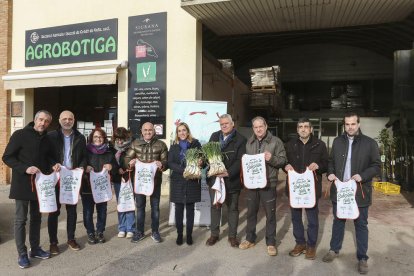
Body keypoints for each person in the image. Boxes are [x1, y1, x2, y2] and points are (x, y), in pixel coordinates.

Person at [322, 112, 380, 275]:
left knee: (361, 224)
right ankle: (334, 249)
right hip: (340, 190)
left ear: (358, 124)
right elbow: (331, 161)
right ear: (344, 125)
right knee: (338, 220)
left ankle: (362, 258)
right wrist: (330, 174)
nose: (350, 127)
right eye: (347, 124)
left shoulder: (369, 143)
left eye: (353, 124)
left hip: (360, 190)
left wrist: (363, 176)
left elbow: (376, 166)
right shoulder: (338, 141)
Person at [2, 110, 59, 269]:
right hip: (22, 183)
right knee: (21, 219)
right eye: (41, 120)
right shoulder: (20, 135)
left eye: (47, 121)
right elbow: (7, 157)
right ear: (35, 120)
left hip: (40, 184)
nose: (43, 123)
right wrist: (25, 168)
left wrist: (54, 164)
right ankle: (22, 253)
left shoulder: (48, 139)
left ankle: (35, 249)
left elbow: (50, 158)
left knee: (36, 218)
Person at [239, 116, 286, 256]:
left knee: (270, 214)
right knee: (251, 213)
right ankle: (250, 239)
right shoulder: (250, 142)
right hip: (253, 184)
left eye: (261, 126)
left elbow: (283, 161)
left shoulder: (276, 142)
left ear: (266, 126)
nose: (258, 129)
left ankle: (271, 243)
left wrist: (271, 158)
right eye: (256, 127)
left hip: (268, 183)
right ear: (253, 129)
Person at [284, 118, 328, 260]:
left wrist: (319, 166)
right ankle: (300, 243)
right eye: (300, 126)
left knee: (312, 219)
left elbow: (327, 164)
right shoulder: (289, 145)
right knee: (296, 218)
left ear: (310, 129)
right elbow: (283, 161)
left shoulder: (320, 145)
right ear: (297, 130)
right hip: (294, 189)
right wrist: (285, 166)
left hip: (312, 190)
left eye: (306, 127)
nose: (303, 129)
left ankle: (311, 246)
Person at [47, 110, 87, 254]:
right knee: (54, 211)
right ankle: (53, 242)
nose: (67, 121)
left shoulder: (80, 137)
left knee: (72, 211)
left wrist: (82, 165)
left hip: (72, 179)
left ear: (74, 120)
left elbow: (84, 156)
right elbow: (47, 155)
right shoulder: (51, 136)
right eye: (64, 119)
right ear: (59, 120)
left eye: (70, 119)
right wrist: (53, 163)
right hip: (57, 177)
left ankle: (71, 238)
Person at [205, 114, 246, 248]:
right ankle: (214, 234)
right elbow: (208, 155)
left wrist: (228, 172)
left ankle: (232, 236)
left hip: (231, 180)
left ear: (232, 123)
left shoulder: (241, 139)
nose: (223, 126)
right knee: (215, 206)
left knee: (232, 208)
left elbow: (240, 160)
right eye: (221, 124)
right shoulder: (214, 136)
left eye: (226, 123)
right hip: (215, 179)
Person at [125, 122, 168, 243]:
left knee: (155, 207)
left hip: (155, 180)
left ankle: (155, 231)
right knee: (140, 207)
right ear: (141, 131)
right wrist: (130, 163)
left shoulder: (161, 144)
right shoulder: (135, 143)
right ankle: (139, 232)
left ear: (154, 131)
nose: (148, 132)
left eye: (150, 130)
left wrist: (162, 165)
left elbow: (166, 161)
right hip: (139, 181)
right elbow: (126, 159)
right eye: (145, 130)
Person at [168, 122, 202, 246]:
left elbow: (202, 160)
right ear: (177, 133)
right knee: (178, 209)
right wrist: (184, 170)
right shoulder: (174, 146)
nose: (182, 133)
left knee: (190, 209)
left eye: (184, 130)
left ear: (188, 131)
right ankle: (179, 234)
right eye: (179, 131)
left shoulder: (196, 144)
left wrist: (200, 161)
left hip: (192, 181)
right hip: (178, 180)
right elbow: (170, 163)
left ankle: (189, 235)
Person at [81, 128, 117, 244]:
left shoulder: (109, 152)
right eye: (96, 137)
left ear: (104, 139)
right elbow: (79, 164)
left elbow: (116, 167)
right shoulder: (85, 151)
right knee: (87, 212)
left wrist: (112, 166)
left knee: (102, 211)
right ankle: (90, 232)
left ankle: (100, 231)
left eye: (100, 137)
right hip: (87, 187)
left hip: (102, 188)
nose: (98, 139)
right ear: (91, 138)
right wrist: (85, 167)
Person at [112, 127, 135, 239]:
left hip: (129, 178)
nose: (120, 141)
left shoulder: (132, 147)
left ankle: (130, 228)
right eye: (117, 139)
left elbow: (136, 161)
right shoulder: (112, 148)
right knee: (120, 203)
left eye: (122, 139)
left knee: (129, 202)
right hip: (117, 179)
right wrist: (117, 169)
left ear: (126, 137)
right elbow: (110, 162)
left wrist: (129, 166)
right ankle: (122, 227)